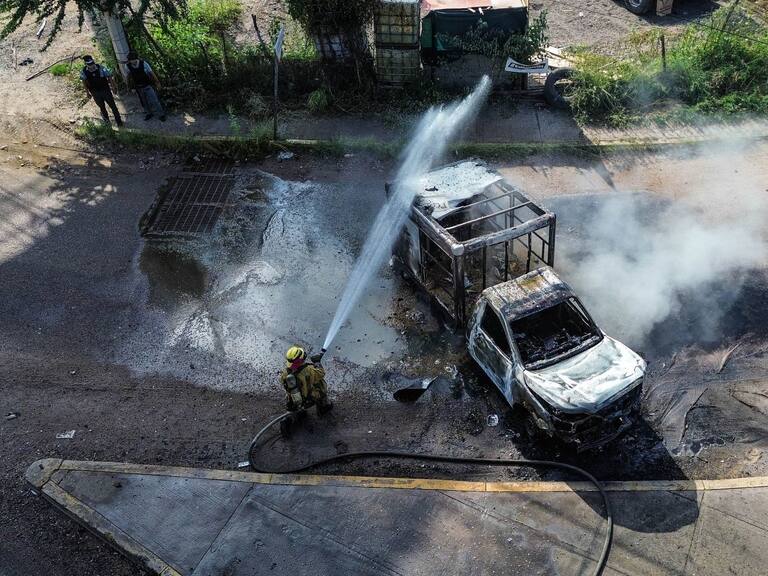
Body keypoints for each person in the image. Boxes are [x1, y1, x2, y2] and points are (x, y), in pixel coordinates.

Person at [279, 346, 332, 434]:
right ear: (301, 360)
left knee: (293, 409)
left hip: (293, 401)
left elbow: (283, 382)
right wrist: (317, 362)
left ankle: (288, 419)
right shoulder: (309, 370)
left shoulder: (285, 373)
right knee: (320, 383)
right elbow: (321, 373)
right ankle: (323, 407)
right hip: (309, 399)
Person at [80, 55, 123, 127]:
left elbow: (109, 76)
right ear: (86, 64)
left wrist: (113, 87)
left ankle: (119, 122)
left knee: (113, 106)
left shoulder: (101, 68)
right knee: (102, 107)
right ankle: (107, 123)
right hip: (95, 92)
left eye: (92, 63)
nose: (91, 65)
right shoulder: (84, 71)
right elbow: (84, 81)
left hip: (105, 90)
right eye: (89, 64)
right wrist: (87, 92)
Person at [126, 51, 166, 122]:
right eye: (131, 60)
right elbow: (129, 77)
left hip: (147, 85)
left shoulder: (144, 63)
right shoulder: (127, 66)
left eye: (134, 59)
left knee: (154, 100)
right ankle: (149, 113)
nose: (132, 61)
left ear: (136, 58)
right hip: (138, 87)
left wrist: (157, 83)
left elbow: (152, 73)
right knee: (144, 102)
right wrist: (129, 87)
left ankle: (161, 114)